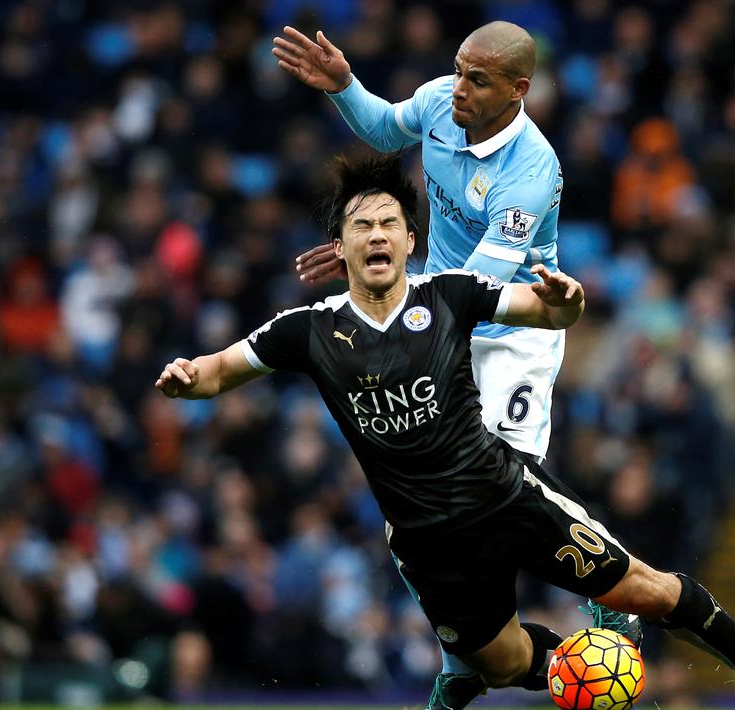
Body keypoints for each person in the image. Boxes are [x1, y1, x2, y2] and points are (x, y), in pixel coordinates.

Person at [154, 153, 735, 710]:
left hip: (503, 494)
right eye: (363, 225)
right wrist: (189, 377)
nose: (379, 234)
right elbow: (218, 371)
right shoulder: (306, 329)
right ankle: (557, 669)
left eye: (390, 221)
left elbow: (544, 308)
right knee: (501, 664)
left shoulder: (448, 294)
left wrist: (567, 302)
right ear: (342, 247)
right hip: (427, 541)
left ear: (410, 240)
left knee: (645, 591)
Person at [271, 21, 624, 708]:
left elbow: (476, 293)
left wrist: (371, 269)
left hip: (509, 327)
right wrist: (344, 86)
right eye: (457, 70)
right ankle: (463, 658)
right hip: (441, 313)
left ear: (518, 90)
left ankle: (609, 591)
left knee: (507, 490)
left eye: (477, 79)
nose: (457, 87)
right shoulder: (439, 101)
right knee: (417, 516)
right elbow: (383, 128)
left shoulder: (531, 171)